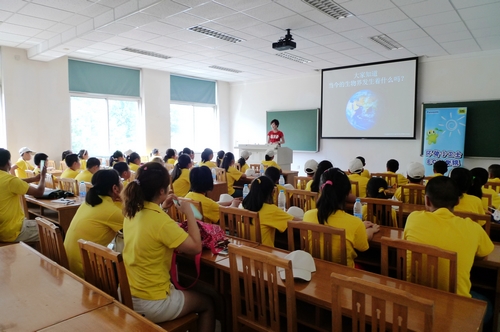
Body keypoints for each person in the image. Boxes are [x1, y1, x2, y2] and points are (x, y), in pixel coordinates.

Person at [121, 162, 215, 329]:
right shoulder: (160, 221)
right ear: (162, 191)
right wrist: (189, 213)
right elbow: (195, 247)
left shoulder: (132, 212)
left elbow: (152, 229)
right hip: (152, 302)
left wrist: (163, 208)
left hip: (128, 293)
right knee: (207, 303)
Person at [404, 176, 493, 298]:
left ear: (427, 200)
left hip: (416, 295)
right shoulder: (473, 227)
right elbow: (483, 254)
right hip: (456, 303)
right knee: (487, 300)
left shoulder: (413, 218)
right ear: (457, 201)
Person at [302, 167, 379, 267]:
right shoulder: (355, 223)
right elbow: (362, 246)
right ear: (347, 193)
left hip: (314, 269)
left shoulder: (308, 216)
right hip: (344, 276)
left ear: (321, 189)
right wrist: (370, 231)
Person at [64, 169, 124, 278]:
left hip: (70, 263)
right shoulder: (110, 211)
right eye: (121, 181)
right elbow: (138, 225)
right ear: (115, 188)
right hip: (88, 270)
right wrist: (126, 200)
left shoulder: (89, 202)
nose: (122, 184)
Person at [0, 148, 46, 242]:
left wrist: (33, 179)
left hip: (2, 229)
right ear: (8, 163)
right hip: (12, 231)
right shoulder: (10, 180)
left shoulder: (7, 180)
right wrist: (43, 177)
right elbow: (39, 192)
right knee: (54, 231)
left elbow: (16, 182)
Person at [243, 176, 299, 247]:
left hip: (246, 250)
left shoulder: (243, 206)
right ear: (272, 192)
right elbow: (296, 223)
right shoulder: (271, 210)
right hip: (265, 253)